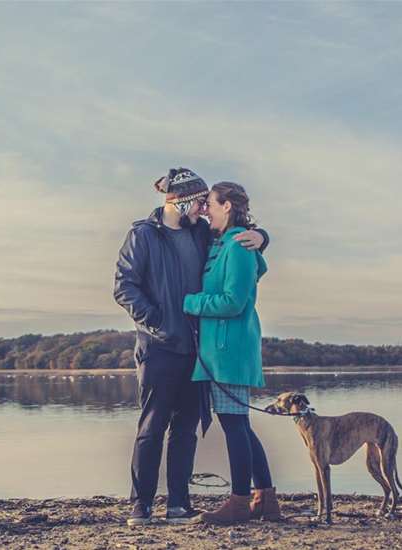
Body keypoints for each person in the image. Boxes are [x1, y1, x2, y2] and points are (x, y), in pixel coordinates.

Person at [113, 168, 269, 526]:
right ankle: (142, 506)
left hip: (198, 351)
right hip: (158, 346)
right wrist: (159, 321)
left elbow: (237, 241)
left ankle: (178, 504)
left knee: (185, 429)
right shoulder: (142, 235)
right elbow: (124, 287)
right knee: (151, 427)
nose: (202, 209)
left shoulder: (201, 233)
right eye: (198, 202)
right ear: (180, 203)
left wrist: (262, 235)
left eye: (205, 203)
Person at [182, 181, 279, 525]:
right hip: (221, 350)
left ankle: (239, 503)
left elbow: (233, 301)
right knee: (240, 426)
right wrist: (263, 236)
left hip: (229, 350)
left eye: (210, 202)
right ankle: (265, 500)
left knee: (235, 426)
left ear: (227, 206)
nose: (205, 208)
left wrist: (189, 303)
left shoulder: (238, 245)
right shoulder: (222, 242)